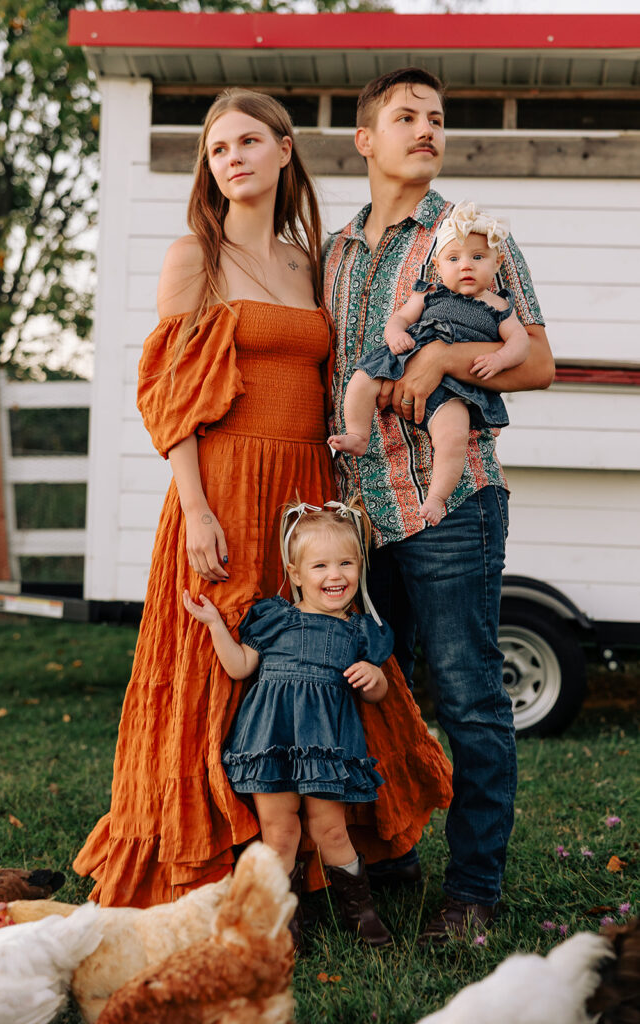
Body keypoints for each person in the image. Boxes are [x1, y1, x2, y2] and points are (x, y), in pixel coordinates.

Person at [73, 88, 452, 909]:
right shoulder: (191, 259)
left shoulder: (307, 261)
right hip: (220, 488)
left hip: (302, 495)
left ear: (285, 150)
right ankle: (209, 866)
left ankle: (318, 863)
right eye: (217, 150)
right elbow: (170, 396)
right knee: (217, 665)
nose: (232, 158)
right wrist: (197, 507)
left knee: (308, 663)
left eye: (249, 141)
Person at [323, 68, 555, 940]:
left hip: (449, 503)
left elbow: (535, 362)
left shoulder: (472, 234)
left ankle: (471, 895)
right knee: (368, 693)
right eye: (405, 117)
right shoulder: (338, 250)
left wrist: (440, 363)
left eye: (437, 118)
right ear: (365, 140)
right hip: (356, 511)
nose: (426, 129)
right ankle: (384, 862)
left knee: (465, 697)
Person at [184, 499, 394, 948]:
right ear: (296, 574)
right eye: (320, 565)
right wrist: (215, 625)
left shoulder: (359, 631)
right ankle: (284, 922)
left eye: (346, 564)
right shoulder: (275, 619)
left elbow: (378, 694)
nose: (334, 576)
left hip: (325, 746)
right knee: (280, 833)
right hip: (271, 740)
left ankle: (361, 911)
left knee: (330, 830)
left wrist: (374, 678)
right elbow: (241, 666)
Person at [328, 201, 530, 525]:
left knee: (453, 435)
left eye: (477, 257)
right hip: (407, 356)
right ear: (437, 265)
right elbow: (401, 317)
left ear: (497, 262)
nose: (466, 266)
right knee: (361, 380)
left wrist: (500, 358)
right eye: (454, 258)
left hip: (455, 389)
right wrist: (395, 335)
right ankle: (357, 434)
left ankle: (436, 497)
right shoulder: (430, 293)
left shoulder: (497, 305)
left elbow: (521, 343)